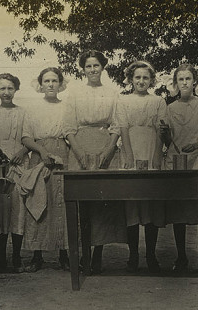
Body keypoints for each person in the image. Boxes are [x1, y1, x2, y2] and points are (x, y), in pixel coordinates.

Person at [63, 50, 126, 274]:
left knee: (102, 203)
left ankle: (97, 254)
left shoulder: (112, 93)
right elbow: (68, 128)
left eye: (96, 66)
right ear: (83, 69)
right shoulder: (75, 93)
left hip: (104, 145)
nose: (92, 70)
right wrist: (79, 153)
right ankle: (83, 255)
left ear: (103, 67)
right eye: (88, 66)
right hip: (80, 145)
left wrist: (108, 152)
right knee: (82, 203)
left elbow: (117, 126)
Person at [160, 63, 198, 273]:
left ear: (195, 82)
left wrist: (195, 145)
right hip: (177, 160)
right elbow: (167, 140)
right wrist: (164, 133)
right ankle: (181, 257)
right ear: (175, 84)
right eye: (180, 79)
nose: (184, 83)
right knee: (179, 210)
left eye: (188, 79)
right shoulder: (170, 107)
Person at [116, 61, 166, 273]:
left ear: (151, 80)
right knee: (132, 204)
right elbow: (123, 129)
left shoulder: (158, 101)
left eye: (145, 78)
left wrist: (156, 156)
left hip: (151, 148)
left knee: (151, 203)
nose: (141, 81)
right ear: (130, 79)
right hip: (131, 150)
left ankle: (151, 254)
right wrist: (127, 155)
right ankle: (133, 254)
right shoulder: (123, 101)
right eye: (137, 77)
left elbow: (161, 130)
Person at [21, 67, 70, 272]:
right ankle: (36, 255)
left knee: (61, 203)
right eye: (46, 81)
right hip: (39, 154)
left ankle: (64, 255)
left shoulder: (67, 107)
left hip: (62, 153)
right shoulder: (31, 108)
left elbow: (71, 134)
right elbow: (25, 137)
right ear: (40, 84)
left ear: (60, 84)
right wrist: (42, 152)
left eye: (54, 81)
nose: (50, 84)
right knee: (38, 200)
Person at [0, 73, 28, 273]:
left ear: (16, 89)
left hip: (18, 163)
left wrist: (22, 151)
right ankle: (1, 256)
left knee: (17, 209)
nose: (6, 92)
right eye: (2, 88)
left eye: (10, 88)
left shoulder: (23, 112)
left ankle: (17, 256)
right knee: (0, 209)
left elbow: (29, 138)